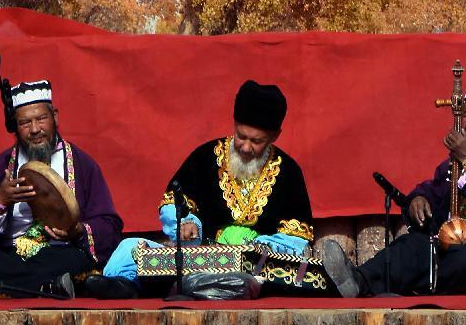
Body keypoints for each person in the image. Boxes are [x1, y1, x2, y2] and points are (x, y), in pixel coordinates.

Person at [100, 80, 314, 295]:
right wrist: (186, 224)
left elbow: (295, 237)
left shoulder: (289, 172)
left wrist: (254, 248)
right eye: (241, 136)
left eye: (256, 141)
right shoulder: (205, 157)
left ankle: (207, 288)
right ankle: (124, 286)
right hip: (200, 258)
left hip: (257, 268)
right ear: (234, 125)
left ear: (274, 136)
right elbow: (173, 202)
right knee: (129, 248)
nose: (246, 147)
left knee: (263, 278)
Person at [322, 83, 466, 296]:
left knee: (462, 259)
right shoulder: (452, 164)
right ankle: (360, 281)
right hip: (451, 247)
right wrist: (419, 199)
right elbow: (430, 190)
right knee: (411, 244)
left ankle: (405, 290)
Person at [0, 80, 123, 298]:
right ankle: (49, 287)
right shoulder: (0, 166)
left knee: (73, 261)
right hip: (9, 252)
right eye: (25, 123)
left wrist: (78, 231)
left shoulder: (83, 164)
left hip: (59, 251)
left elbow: (109, 223)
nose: (35, 130)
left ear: (55, 116)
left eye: (41, 119)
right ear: (15, 127)